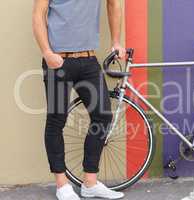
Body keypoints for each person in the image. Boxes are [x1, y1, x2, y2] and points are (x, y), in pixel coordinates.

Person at [32, 0, 126, 199]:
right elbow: (38, 15)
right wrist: (47, 53)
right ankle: (62, 185)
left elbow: (114, 3)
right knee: (57, 120)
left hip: (88, 60)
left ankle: (90, 183)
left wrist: (116, 41)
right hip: (58, 61)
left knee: (102, 116)